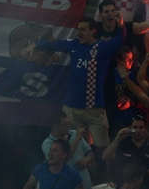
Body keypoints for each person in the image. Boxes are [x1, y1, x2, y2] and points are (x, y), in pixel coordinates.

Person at [25, 17, 125, 152]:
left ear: (93, 31)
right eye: (78, 30)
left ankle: (101, 165)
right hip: (71, 108)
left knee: (102, 149)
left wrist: (121, 26)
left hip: (94, 109)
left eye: (82, 30)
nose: (79, 33)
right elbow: (54, 45)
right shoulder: (74, 45)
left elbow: (120, 40)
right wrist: (36, 46)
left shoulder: (103, 47)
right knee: (70, 146)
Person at [42, 111, 94, 189]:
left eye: (68, 123)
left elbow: (90, 153)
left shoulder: (74, 133)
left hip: (86, 186)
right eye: (64, 124)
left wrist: (86, 159)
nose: (68, 126)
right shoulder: (48, 144)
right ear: (55, 127)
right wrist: (77, 139)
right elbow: (62, 159)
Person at [102, 115, 149, 188]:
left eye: (141, 127)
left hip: (147, 186)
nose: (138, 131)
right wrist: (117, 139)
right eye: (135, 127)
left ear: (146, 129)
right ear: (129, 128)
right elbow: (105, 157)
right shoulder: (122, 144)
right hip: (123, 186)